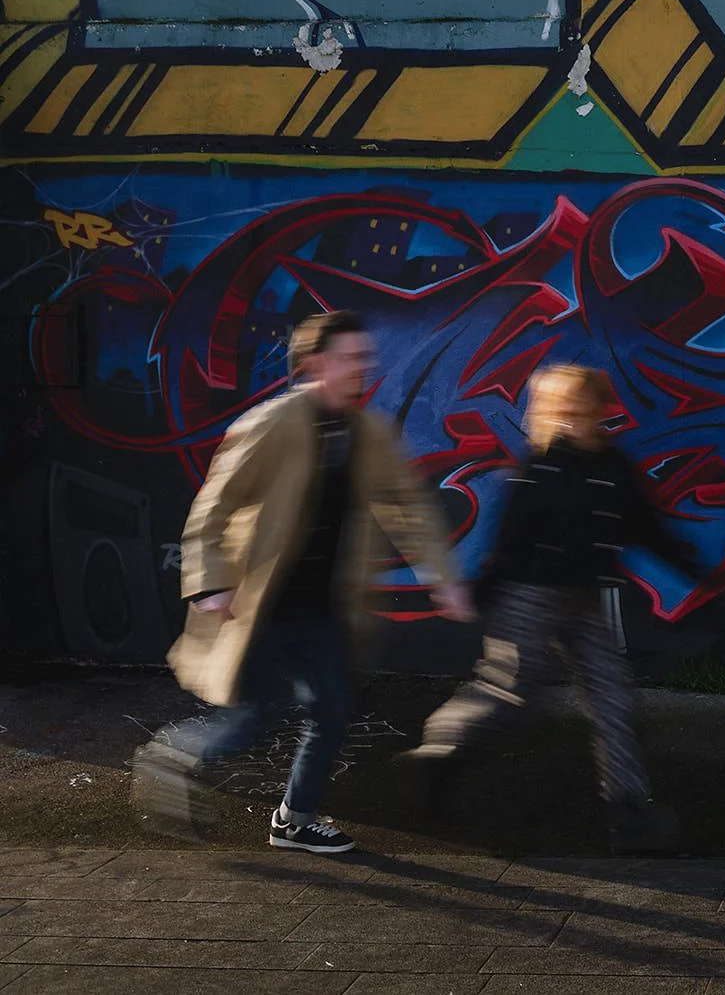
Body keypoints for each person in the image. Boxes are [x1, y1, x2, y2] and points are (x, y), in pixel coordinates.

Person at [131, 310, 473, 853]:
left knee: (333, 712)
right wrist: (210, 581)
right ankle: (172, 758)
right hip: (263, 606)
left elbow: (404, 503)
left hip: (324, 608)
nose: (364, 366)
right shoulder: (273, 422)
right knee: (250, 725)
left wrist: (442, 575)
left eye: (366, 356)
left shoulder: (367, 431)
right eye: (352, 357)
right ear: (317, 363)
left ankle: (294, 818)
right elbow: (213, 507)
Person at [397, 363, 692, 855]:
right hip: (530, 597)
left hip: (584, 600)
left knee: (613, 698)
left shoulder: (613, 465)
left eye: (587, 410)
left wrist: (699, 573)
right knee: (509, 695)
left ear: (601, 410)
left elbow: (646, 527)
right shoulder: (541, 469)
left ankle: (629, 813)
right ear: (553, 414)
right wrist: (481, 591)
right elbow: (510, 542)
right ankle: (436, 757)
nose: (578, 420)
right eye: (567, 411)